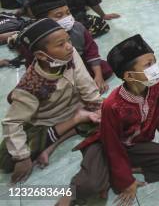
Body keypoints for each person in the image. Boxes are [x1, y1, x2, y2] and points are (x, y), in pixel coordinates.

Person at [61, 34, 159, 205]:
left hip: (134, 145)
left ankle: (123, 169)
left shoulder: (156, 84)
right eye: (148, 65)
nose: (155, 68)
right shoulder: (112, 105)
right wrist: (125, 181)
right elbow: (112, 145)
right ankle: (101, 175)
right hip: (106, 144)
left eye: (154, 62)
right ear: (129, 76)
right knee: (88, 187)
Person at [0, 19, 102, 182]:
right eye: (61, 44)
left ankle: (54, 141)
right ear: (41, 55)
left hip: (79, 107)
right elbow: (11, 122)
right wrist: (22, 158)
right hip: (47, 121)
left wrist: (97, 106)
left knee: (115, 118)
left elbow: (85, 82)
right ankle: (76, 121)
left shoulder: (69, 53)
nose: (69, 46)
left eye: (68, 40)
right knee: (6, 159)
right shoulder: (30, 86)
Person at [25, 0, 113, 93]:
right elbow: (33, 66)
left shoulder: (78, 27)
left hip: (78, 63)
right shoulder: (37, 39)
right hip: (54, 71)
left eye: (68, 12)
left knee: (105, 68)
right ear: (43, 20)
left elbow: (91, 51)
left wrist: (98, 76)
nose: (67, 18)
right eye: (59, 16)